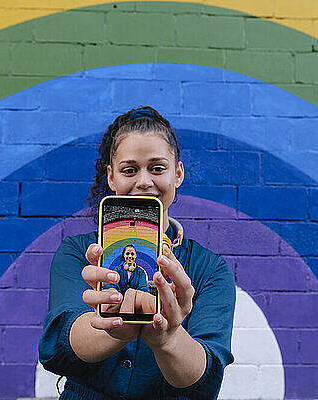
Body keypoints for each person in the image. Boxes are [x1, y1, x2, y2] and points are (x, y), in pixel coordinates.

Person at [38, 106, 236, 399]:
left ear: (178, 174)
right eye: (129, 170)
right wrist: (119, 328)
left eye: (157, 168)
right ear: (112, 178)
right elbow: (62, 342)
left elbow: (203, 375)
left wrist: (168, 338)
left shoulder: (210, 269)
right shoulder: (81, 253)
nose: (144, 181)